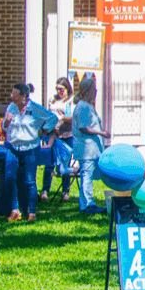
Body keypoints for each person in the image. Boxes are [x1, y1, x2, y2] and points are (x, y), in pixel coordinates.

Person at [3, 82, 58, 222]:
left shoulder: (35, 109)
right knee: (10, 178)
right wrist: (7, 122)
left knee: (30, 181)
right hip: (13, 147)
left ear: (24, 97)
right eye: (12, 94)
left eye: (15, 95)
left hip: (30, 148)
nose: (12, 97)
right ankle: (15, 211)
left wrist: (44, 130)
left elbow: (53, 118)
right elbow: (4, 127)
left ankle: (32, 213)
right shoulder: (11, 107)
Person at [71, 78, 110, 215]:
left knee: (89, 175)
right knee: (86, 176)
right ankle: (88, 205)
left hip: (92, 149)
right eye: (94, 90)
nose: (96, 92)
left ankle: (88, 202)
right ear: (87, 91)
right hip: (86, 148)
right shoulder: (83, 107)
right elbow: (83, 127)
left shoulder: (88, 106)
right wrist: (101, 133)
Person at [42, 78, 75, 203]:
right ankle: (45, 190)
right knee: (49, 162)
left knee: (65, 164)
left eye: (61, 89)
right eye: (57, 89)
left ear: (67, 89)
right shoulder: (53, 99)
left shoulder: (71, 101)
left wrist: (61, 117)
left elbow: (72, 117)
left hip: (67, 135)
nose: (59, 91)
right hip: (53, 135)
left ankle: (65, 191)